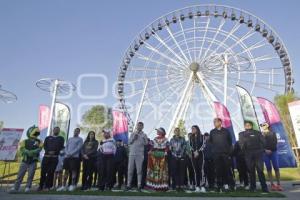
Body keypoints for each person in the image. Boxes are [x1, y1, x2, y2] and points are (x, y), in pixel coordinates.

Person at [10, 125, 42, 193]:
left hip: (33, 161)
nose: (36, 134)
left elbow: (39, 148)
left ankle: (28, 187)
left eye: (37, 133)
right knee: (20, 175)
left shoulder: (39, 141)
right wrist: (27, 152)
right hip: (25, 160)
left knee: (31, 175)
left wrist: (33, 152)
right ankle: (16, 187)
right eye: (35, 132)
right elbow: (22, 148)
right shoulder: (25, 141)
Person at [239, 121, 268, 193]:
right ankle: (253, 188)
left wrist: (261, 150)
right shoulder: (241, 134)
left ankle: (264, 188)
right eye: (246, 125)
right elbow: (241, 144)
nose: (247, 126)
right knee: (251, 172)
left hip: (258, 155)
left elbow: (263, 142)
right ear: (244, 126)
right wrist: (245, 153)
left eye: (249, 125)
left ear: (251, 126)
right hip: (248, 155)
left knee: (260, 171)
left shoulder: (257, 133)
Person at [209, 118, 233, 192]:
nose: (214, 123)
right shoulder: (212, 132)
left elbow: (230, 142)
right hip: (216, 154)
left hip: (225, 154)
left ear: (220, 122)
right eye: (214, 122)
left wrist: (229, 152)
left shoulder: (226, 131)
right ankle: (219, 186)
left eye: (215, 122)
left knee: (226, 170)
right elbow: (211, 142)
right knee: (218, 171)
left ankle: (227, 185)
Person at [39, 126, 64, 191]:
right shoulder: (48, 138)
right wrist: (48, 151)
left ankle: (48, 186)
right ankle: (41, 186)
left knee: (51, 172)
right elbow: (45, 146)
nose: (56, 130)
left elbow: (61, 147)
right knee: (43, 172)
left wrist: (55, 152)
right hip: (46, 157)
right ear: (53, 130)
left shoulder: (61, 138)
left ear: (59, 131)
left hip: (54, 158)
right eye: (55, 129)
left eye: (58, 130)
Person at [126, 122, 148, 191]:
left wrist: (144, 139)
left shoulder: (144, 135)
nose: (139, 127)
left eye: (141, 126)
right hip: (132, 154)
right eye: (138, 126)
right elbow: (129, 142)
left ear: (143, 127)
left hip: (140, 154)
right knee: (130, 170)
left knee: (139, 170)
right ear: (137, 126)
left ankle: (139, 185)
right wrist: (133, 138)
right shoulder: (133, 134)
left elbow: (146, 143)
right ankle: (128, 185)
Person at [261, 122, 282, 191]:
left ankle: (279, 184)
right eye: (262, 125)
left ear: (267, 126)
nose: (263, 126)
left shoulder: (273, 133)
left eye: (264, 125)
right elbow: (259, 145)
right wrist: (265, 150)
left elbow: (275, 143)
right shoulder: (260, 135)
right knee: (269, 168)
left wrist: (270, 150)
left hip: (273, 152)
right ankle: (272, 185)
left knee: (276, 168)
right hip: (265, 153)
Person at [188, 125, 206, 193]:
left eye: (193, 129)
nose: (192, 130)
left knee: (201, 170)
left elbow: (204, 145)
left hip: (200, 155)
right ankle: (197, 186)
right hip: (193, 155)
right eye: (191, 129)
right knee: (196, 171)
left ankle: (203, 186)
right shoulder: (190, 137)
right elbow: (190, 145)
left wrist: (198, 151)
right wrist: (194, 152)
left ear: (197, 129)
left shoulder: (202, 136)